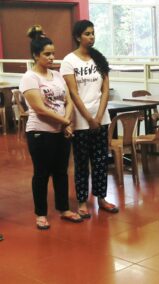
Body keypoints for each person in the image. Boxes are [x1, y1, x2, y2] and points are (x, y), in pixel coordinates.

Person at [20, 25, 83, 230]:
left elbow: (69, 100)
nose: (52, 57)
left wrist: (66, 120)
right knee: (41, 173)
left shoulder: (56, 76)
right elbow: (39, 108)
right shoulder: (30, 77)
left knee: (61, 172)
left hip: (61, 131)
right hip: (40, 132)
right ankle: (40, 214)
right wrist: (65, 122)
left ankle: (64, 208)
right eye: (47, 54)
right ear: (36, 55)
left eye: (53, 53)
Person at [60, 20, 118, 218]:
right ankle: (83, 202)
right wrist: (89, 118)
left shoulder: (99, 59)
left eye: (93, 33)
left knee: (101, 161)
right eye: (87, 34)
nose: (92, 37)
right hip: (81, 122)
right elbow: (74, 94)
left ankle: (101, 198)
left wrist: (99, 117)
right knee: (82, 163)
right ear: (78, 37)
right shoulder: (69, 61)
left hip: (101, 119)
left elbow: (105, 90)